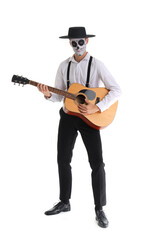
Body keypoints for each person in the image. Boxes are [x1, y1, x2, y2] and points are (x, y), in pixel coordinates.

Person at [37, 27, 121, 228]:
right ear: (69, 43)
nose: (78, 46)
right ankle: (64, 202)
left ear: (87, 41)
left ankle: (99, 208)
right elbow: (60, 96)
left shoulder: (97, 64)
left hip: (90, 119)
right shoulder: (63, 66)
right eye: (74, 42)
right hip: (68, 117)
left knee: (97, 163)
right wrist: (47, 94)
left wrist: (97, 107)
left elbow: (116, 90)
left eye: (80, 41)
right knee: (62, 159)